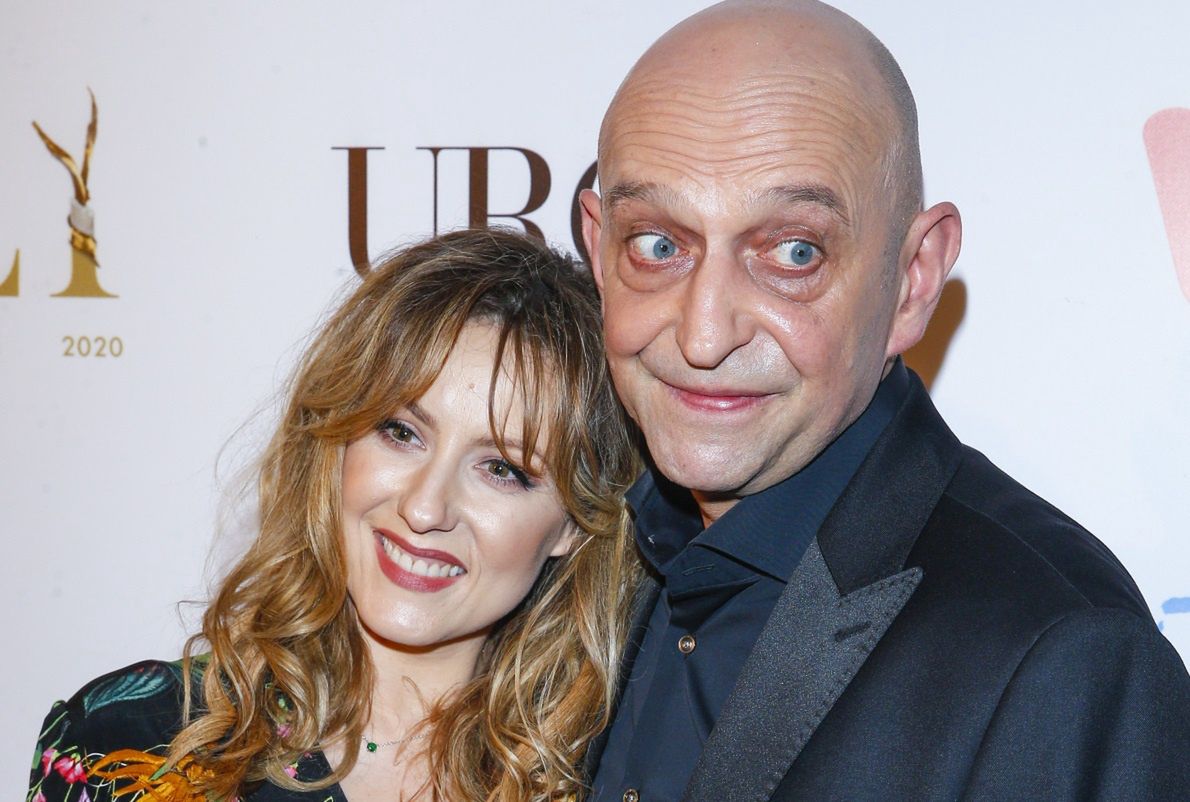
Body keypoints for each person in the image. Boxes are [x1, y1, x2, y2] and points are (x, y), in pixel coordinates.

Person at [578, 1, 1190, 800]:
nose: (703, 334)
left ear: (913, 280)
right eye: (658, 245)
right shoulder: (554, 560)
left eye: (794, 253)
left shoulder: (1064, 662)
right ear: (598, 250)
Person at [27, 228, 640, 802]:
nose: (424, 507)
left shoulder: (613, 778)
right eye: (401, 432)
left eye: (502, 469)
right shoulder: (131, 744)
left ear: (572, 522)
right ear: (336, 441)